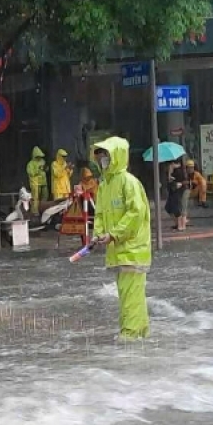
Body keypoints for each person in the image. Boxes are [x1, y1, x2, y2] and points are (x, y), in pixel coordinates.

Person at [89, 137, 152, 340]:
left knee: (130, 294)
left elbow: (136, 213)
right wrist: (97, 234)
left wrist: (114, 234)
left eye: (105, 155)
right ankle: (140, 331)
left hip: (133, 249)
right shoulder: (104, 185)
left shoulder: (129, 182)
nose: (102, 159)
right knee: (130, 293)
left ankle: (130, 334)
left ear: (117, 156)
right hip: (117, 250)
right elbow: (100, 214)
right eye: (100, 156)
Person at [164, 160, 189, 231]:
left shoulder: (180, 170)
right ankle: (178, 224)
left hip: (181, 191)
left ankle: (181, 226)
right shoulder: (169, 170)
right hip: (173, 191)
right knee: (168, 208)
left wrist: (179, 183)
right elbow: (169, 181)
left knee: (180, 208)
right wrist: (169, 174)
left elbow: (185, 180)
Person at [26, 147, 48, 216]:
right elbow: (31, 173)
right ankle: (34, 211)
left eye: (40, 156)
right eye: (38, 156)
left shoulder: (43, 161)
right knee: (35, 197)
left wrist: (46, 168)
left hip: (43, 182)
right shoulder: (30, 164)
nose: (39, 158)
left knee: (45, 196)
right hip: (35, 183)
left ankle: (43, 209)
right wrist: (38, 169)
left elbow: (46, 169)